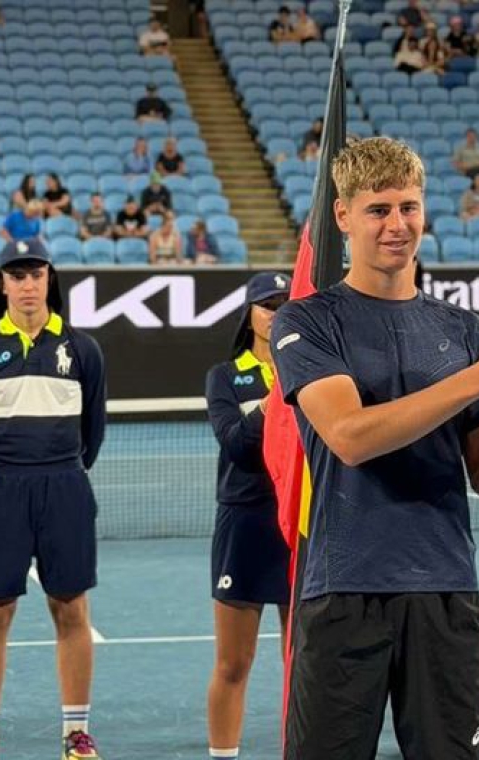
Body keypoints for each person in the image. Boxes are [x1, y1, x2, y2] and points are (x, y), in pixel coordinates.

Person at [270, 136, 479, 758]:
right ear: (343, 216)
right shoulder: (306, 321)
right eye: (378, 210)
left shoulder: (461, 328)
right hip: (343, 590)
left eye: (408, 207)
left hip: (446, 591)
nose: (397, 225)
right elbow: (351, 437)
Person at [0, 239, 107, 760]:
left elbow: (93, 431)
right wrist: (1, 475)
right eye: (17, 275)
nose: (27, 284)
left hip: (65, 488)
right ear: (2, 284)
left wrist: (61, 472)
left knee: (71, 608)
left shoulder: (83, 350)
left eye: (35, 274)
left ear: (50, 279)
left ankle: (76, 733)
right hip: (0, 490)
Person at [205, 272, 294, 760]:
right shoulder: (224, 377)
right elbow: (237, 445)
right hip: (245, 523)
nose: (276, 314)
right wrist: (277, 394)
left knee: (302, 663)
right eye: (267, 306)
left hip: (300, 521)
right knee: (234, 663)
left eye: (284, 304)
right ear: (250, 315)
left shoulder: (315, 369)